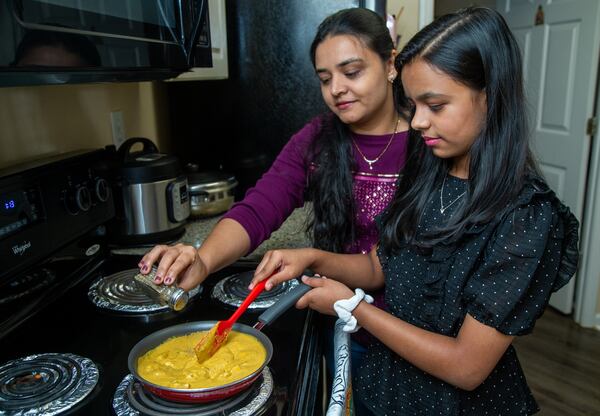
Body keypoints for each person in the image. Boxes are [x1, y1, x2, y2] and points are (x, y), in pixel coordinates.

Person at [250, 7, 579, 415]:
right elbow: (379, 265)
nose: (418, 122)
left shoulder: (526, 217)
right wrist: (314, 258)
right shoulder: (430, 171)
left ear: (491, 96)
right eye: (414, 104)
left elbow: (467, 367)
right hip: (385, 389)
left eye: (435, 105)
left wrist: (354, 308)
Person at [139, 7, 410, 369]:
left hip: (413, 333)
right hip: (342, 324)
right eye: (325, 78)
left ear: (390, 63)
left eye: (352, 72)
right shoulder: (316, 139)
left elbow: (393, 265)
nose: (336, 90)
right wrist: (203, 260)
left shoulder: (431, 140)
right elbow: (258, 209)